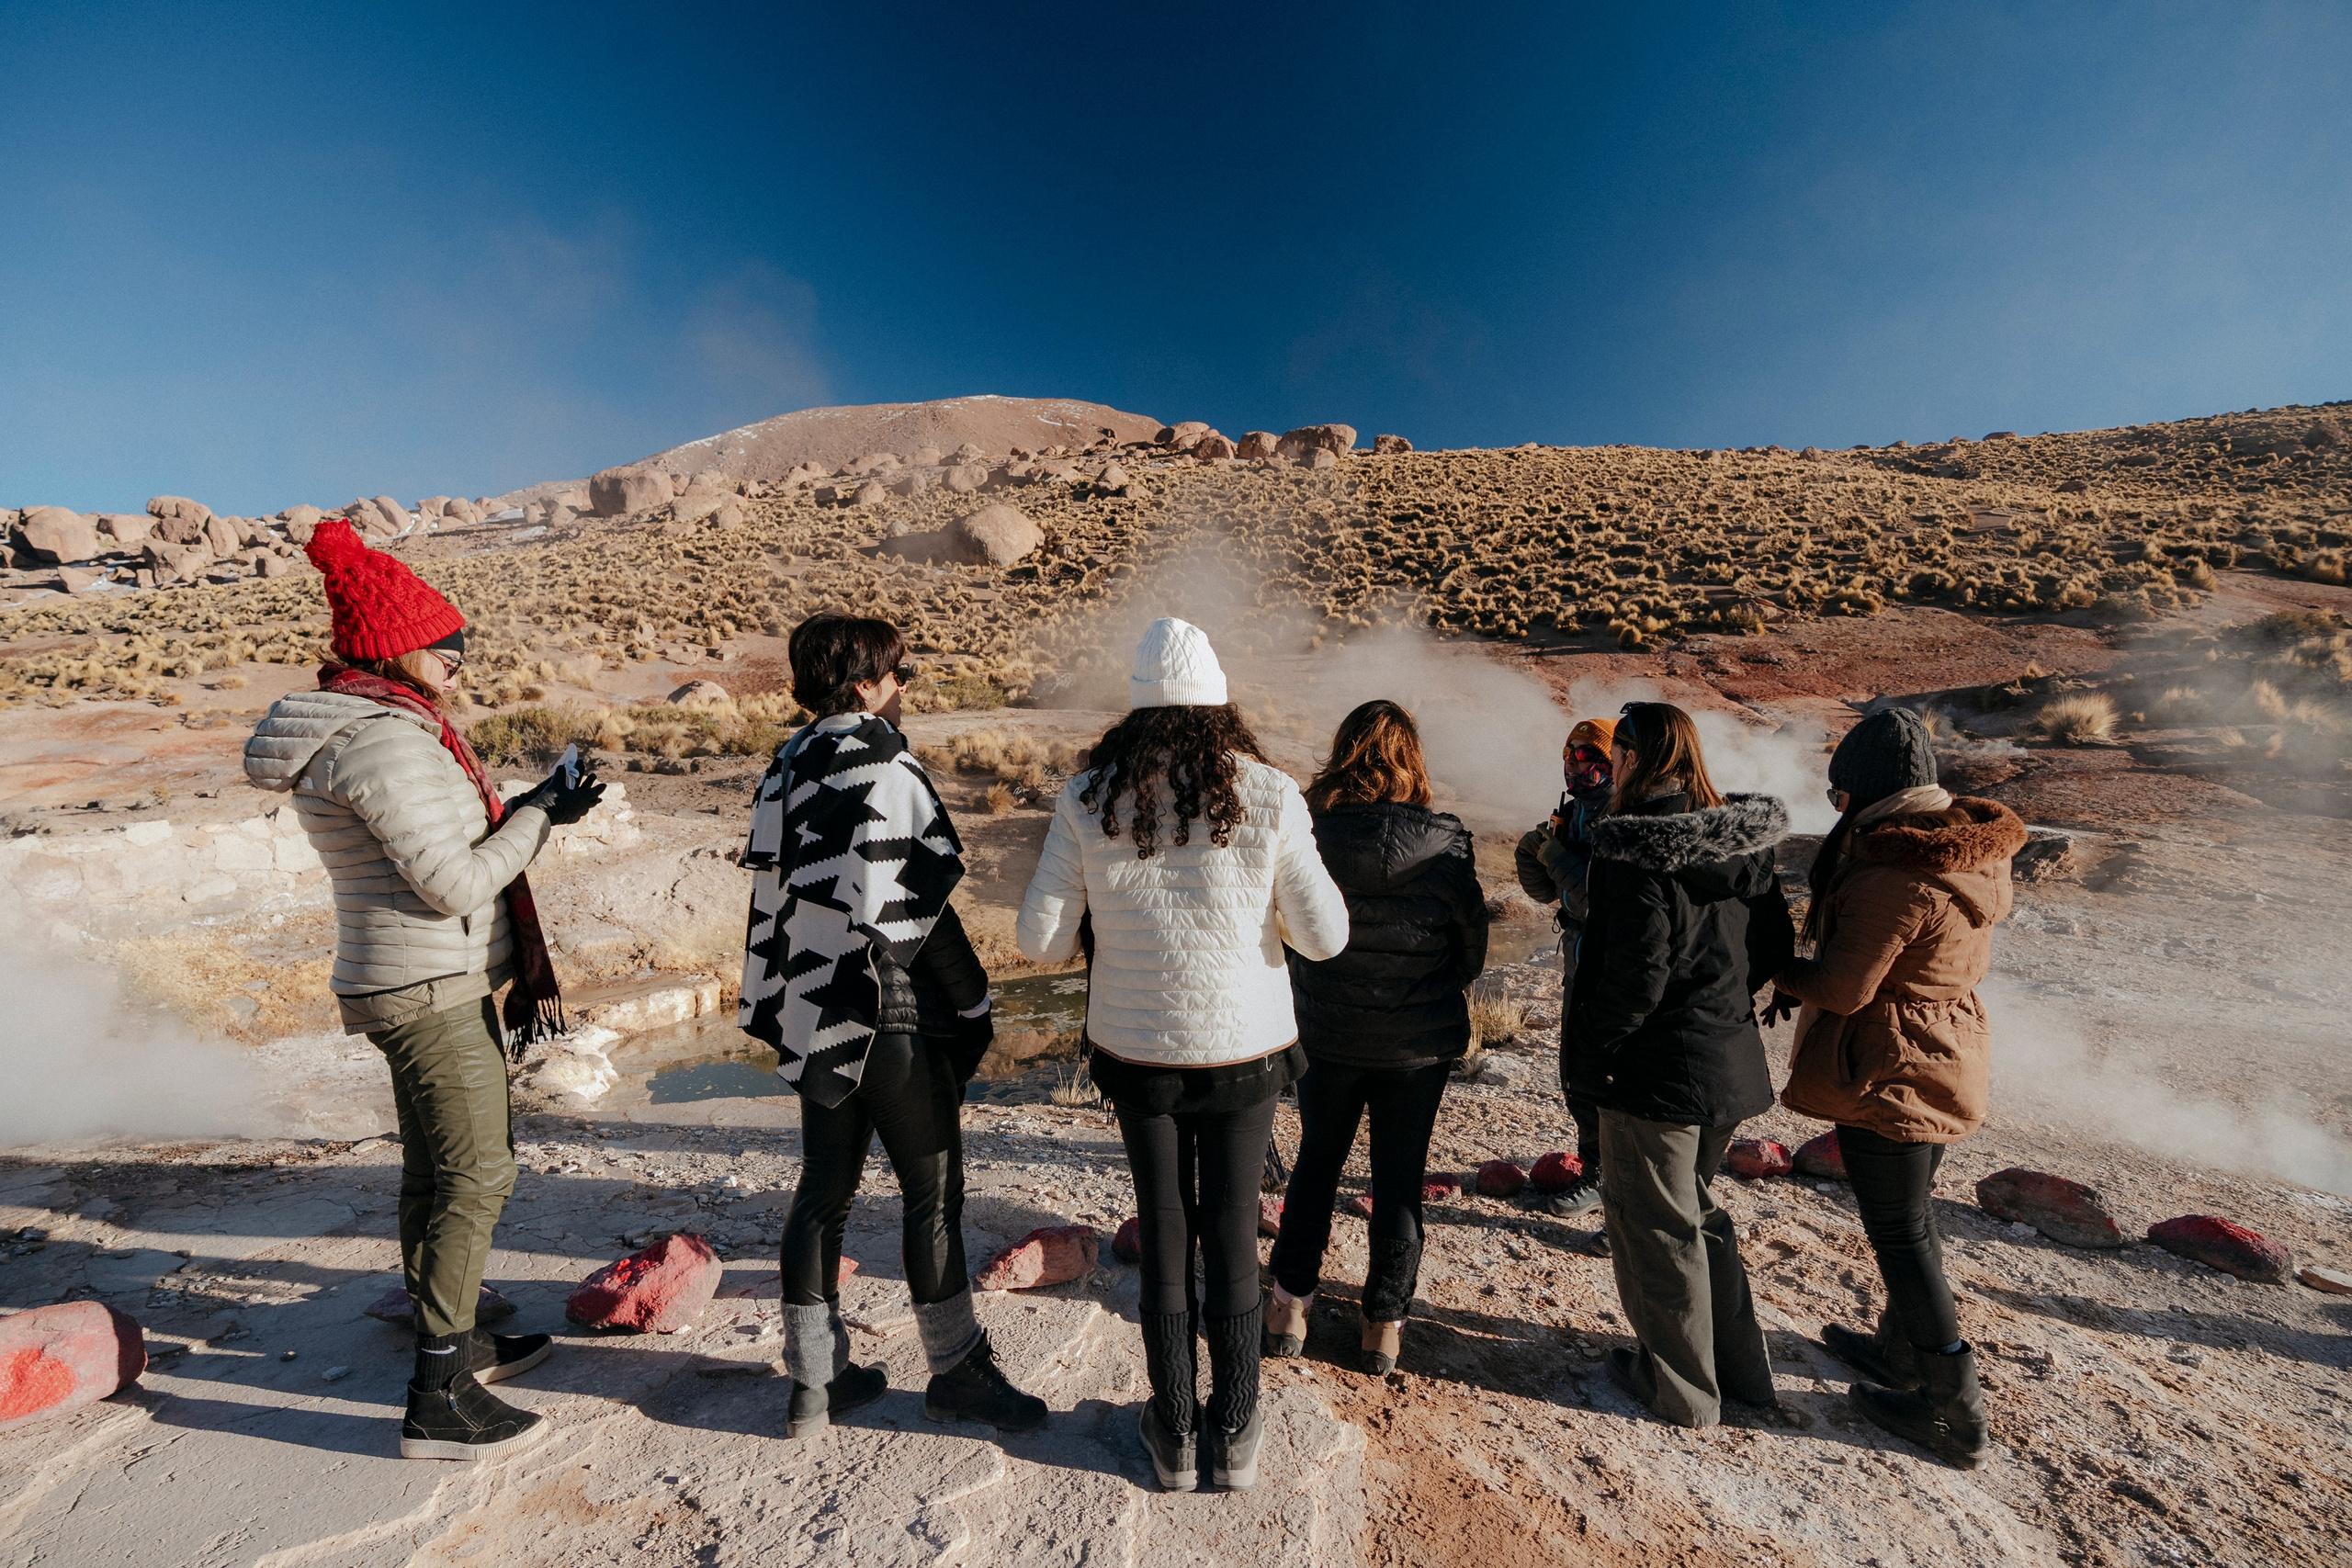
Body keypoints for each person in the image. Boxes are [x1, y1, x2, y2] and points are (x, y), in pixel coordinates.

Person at [244, 518, 604, 1461]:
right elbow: (451, 882)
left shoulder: (389, 728)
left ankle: (451, 1333)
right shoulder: (384, 744)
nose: (460, 659)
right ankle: (439, 1395)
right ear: (397, 645)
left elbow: (440, 852)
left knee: (434, 1170)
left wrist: (535, 807)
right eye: (447, 643)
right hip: (427, 983)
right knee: (479, 1173)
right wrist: (540, 818)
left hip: (417, 974)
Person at [1017, 618, 1349, 1494]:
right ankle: (1233, 1430)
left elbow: (1039, 941)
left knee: (1165, 1232)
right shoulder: (1269, 792)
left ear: (1137, 707)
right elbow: (1325, 934)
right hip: (1245, 1053)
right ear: (1220, 704)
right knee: (1232, 1233)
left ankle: (1170, 1429)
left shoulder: (1088, 796)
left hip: (1138, 1052)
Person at [739, 614, 1046, 1440]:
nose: (903, 686)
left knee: (822, 1192)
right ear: (864, 684)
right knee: (931, 1195)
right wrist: (974, 1001)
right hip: (888, 1011)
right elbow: (922, 906)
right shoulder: (883, 759)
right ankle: (957, 1373)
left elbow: (774, 900)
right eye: (895, 673)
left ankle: (814, 1383)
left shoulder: (786, 764)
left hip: (813, 1005)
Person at [1764, 706, 2025, 1470]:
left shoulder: (1896, 872)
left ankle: (1954, 1411)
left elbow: (1843, 988)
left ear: (1872, 791)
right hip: (1939, 1050)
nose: (1836, 807)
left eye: (1841, 794)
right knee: (1911, 1220)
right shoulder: (1958, 846)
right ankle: (1901, 1354)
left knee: (1902, 1233)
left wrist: (1773, 965)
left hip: (1891, 1066)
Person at [1563, 700, 1792, 1429]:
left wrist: (1591, 1053)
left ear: (1634, 758)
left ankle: (1680, 1390)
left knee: (1655, 1227)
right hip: (1728, 1063)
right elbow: (1773, 946)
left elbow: (1636, 978)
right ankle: (1741, 1374)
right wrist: (1718, 1002)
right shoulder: (1742, 843)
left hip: (1654, 1075)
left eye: (1617, 751)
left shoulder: (1635, 849)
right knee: (1695, 1213)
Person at [1267, 701, 1487, 1376]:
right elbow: (1471, 950)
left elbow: (1286, 932)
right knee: (1400, 1175)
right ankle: (1382, 1324)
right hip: (1416, 1047)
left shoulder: (1310, 832)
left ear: (1343, 754)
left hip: (1327, 1035)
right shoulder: (1446, 844)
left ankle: (1290, 1305)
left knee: (1316, 1162)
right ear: (1412, 761)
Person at [1514, 716, 1618, 1224]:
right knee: (1577, 1069)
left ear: (1613, 762)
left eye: (1586, 755)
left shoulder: (1624, 817)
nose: (1574, 764)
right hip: (1579, 957)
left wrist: (1554, 855)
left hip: (1614, 960)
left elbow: (1599, 898)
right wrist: (1532, 855)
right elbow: (1546, 894)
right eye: (1569, 753)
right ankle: (1596, 1171)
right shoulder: (1575, 813)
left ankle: (1615, 1183)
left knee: (1608, 1073)